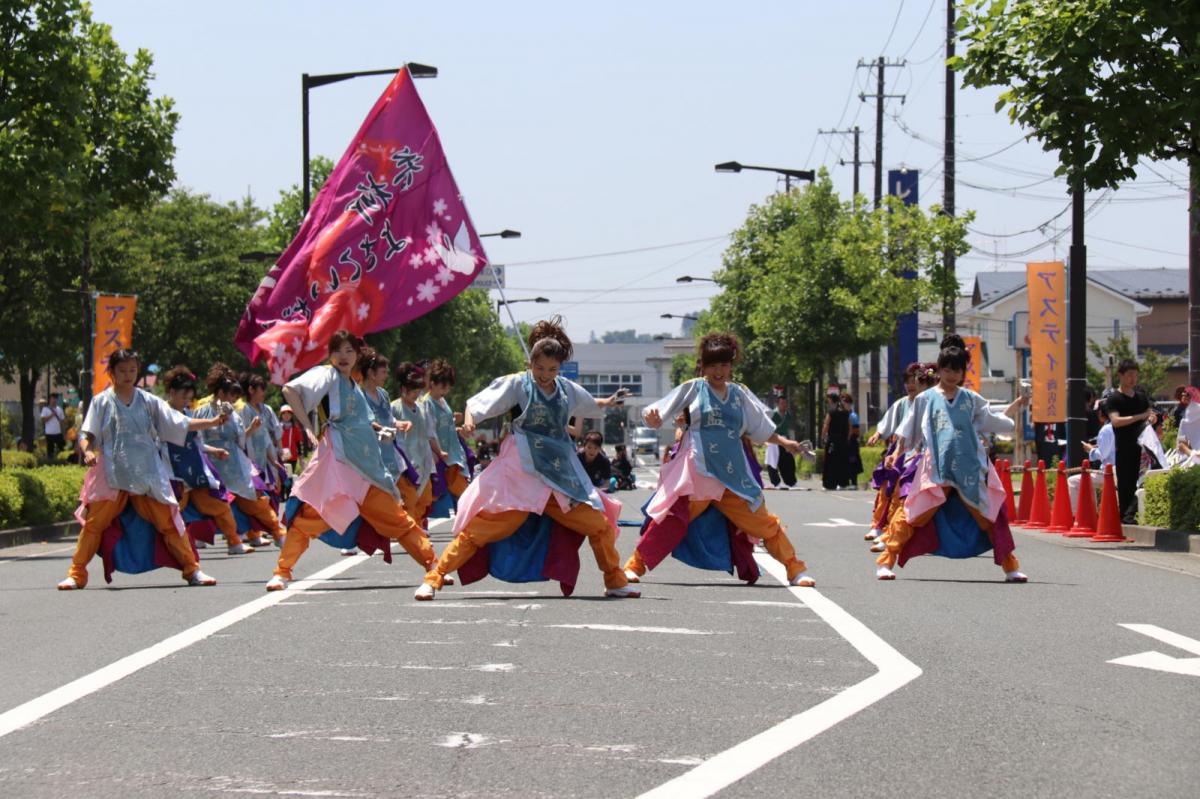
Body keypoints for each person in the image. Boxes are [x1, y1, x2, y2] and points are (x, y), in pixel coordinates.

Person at [415, 318, 637, 600]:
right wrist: (470, 422)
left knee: (599, 525)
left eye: (552, 369)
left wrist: (611, 401)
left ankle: (615, 580)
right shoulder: (518, 384)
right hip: (522, 475)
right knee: (480, 531)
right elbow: (477, 404)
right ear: (531, 362)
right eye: (540, 368)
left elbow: (590, 404)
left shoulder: (566, 389)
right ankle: (434, 578)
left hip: (558, 476)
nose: (545, 374)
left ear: (560, 367)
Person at [623, 332, 816, 587]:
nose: (718, 371)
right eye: (713, 365)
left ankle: (795, 569)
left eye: (724, 365)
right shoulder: (694, 388)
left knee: (764, 523)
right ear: (703, 366)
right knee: (672, 520)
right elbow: (659, 410)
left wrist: (786, 443)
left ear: (731, 365)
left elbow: (760, 429)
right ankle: (634, 566)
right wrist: (653, 419)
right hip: (700, 473)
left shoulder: (740, 394)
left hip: (734, 475)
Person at [270, 331, 437, 591]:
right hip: (338, 467)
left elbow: (363, 421)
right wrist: (307, 427)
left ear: (357, 356)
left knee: (398, 520)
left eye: (349, 351)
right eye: (338, 350)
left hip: (366, 470)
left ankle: (434, 566)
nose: (343, 356)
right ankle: (282, 572)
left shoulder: (355, 389)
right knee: (307, 520)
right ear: (330, 355)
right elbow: (290, 390)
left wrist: (380, 430)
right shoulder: (328, 375)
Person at [57, 349, 221, 590]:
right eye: (122, 370)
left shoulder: (148, 400)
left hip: (147, 472)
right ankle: (76, 574)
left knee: (169, 523)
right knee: (94, 524)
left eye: (132, 370)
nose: (128, 375)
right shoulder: (102, 401)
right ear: (111, 372)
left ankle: (192, 569)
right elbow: (87, 434)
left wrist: (214, 422)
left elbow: (179, 422)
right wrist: (88, 451)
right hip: (112, 473)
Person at [876, 335, 1028, 583]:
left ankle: (1010, 566)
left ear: (963, 372)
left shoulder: (971, 399)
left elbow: (992, 420)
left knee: (990, 516)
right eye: (947, 369)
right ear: (939, 369)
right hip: (936, 468)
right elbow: (908, 430)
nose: (952, 375)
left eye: (957, 370)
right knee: (912, 513)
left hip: (970, 469)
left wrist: (1014, 414)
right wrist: (896, 453)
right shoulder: (925, 399)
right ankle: (886, 561)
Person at [160, 366, 254, 555]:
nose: (186, 401)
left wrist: (214, 450)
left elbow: (197, 442)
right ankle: (178, 552)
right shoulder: (161, 412)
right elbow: (185, 426)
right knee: (172, 514)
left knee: (220, 505)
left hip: (195, 470)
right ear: (172, 392)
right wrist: (213, 422)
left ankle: (234, 542)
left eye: (189, 398)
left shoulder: (189, 412)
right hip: (173, 474)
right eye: (183, 397)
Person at [194, 365, 286, 548]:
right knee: (215, 505)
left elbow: (241, 440)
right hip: (212, 466)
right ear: (221, 393)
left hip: (234, 465)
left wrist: (251, 429)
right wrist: (211, 452)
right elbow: (197, 439)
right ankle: (232, 541)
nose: (232, 400)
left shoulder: (233, 415)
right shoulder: (202, 412)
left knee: (254, 500)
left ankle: (277, 532)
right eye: (230, 396)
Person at [865, 362, 937, 546]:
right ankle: (881, 527)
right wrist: (879, 435)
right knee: (890, 488)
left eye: (916, 382)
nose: (911, 385)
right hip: (905, 454)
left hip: (928, 456)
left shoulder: (934, 402)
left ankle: (896, 533)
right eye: (909, 382)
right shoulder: (903, 404)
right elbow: (896, 428)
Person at [1104, 359, 1156, 524]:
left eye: (1135, 375)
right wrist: (1140, 416)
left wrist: (1152, 417)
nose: (1133, 379)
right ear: (1120, 375)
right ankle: (1125, 518)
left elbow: (1150, 413)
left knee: (1143, 481)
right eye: (1129, 375)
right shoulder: (1114, 398)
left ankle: (1135, 516)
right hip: (1124, 448)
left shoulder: (1141, 397)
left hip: (1143, 449)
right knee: (1126, 483)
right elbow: (1116, 421)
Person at [391, 361, 437, 526]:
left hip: (424, 458)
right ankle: (411, 531)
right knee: (409, 498)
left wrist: (438, 452)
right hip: (405, 462)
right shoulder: (394, 408)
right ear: (403, 389)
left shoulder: (423, 408)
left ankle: (417, 527)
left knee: (425, 497)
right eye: (413, 392)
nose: (416, 395)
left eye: (418, 392)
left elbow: (430, 433)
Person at [424, 359, 473, 503]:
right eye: (443, 387)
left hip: (453, 457)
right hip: (443, 460)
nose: (446, 391)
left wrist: (456, 427)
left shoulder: (442, 401)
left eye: (448, 387)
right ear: (432, 383)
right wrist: (439, 452)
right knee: (447, 499)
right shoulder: (427, 403)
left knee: (461, 497)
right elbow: (429, 432)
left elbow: (442, 426)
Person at [765, 396, 797, 490]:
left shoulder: (788, 415)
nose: (784, 405)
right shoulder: (772, 414)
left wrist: (793, 442)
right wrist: (766, 440)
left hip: (784, 440)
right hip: (773, 440)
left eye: (785, 403)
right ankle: (776, 482)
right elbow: (765, 426)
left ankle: (791, 482)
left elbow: (790, 430)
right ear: (777, 404)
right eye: (782, 403)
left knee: (788, 460)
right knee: (772, 462)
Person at [278, 405, 305, 474]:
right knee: (281, 476)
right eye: (284, 413)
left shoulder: (295, 428)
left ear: (291, 415)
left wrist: (301, 458)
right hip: (280, 456)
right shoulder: (277, 428)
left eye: (288, 413)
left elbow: (299, 443)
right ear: (281, 415)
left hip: (292, 458)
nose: (286, 415)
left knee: (289, 476)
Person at [41, 393, 66, 461]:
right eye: (53, 398)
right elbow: (43, 420)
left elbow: (62, 422)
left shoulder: (59, 409)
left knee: (62, 449)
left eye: (55, 398)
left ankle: (63, 461)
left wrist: (64, 433)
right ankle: (50, 462)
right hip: (49, 433)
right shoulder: (45, 409)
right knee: (50, 450)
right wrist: (52, 415)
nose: (54, 400)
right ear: (50, 399)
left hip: (58, 433)